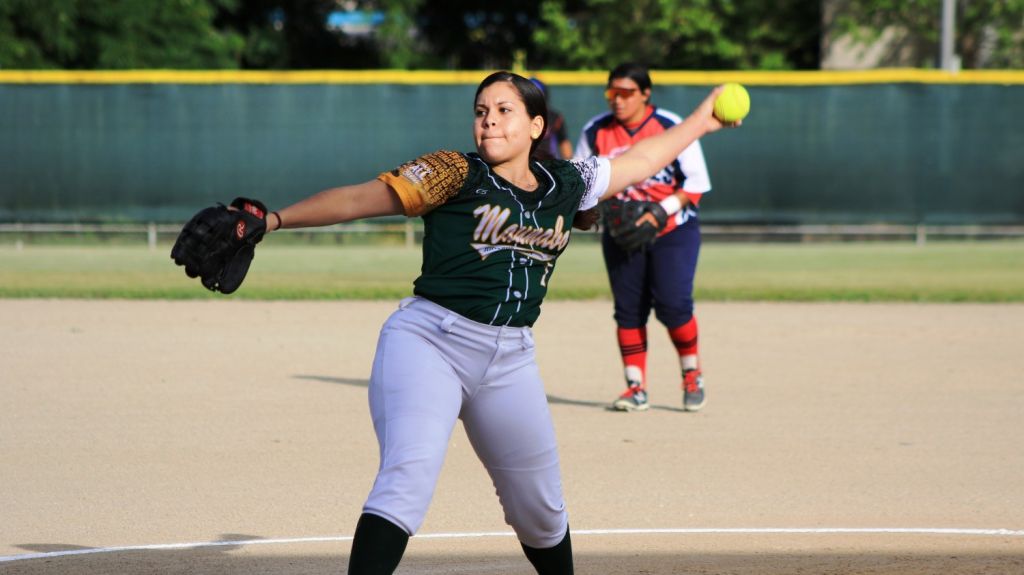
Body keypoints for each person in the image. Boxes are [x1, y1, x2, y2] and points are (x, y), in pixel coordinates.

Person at [184, 71, 734, 574]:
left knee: (541, 512)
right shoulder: (453, 172)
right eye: (481, 110)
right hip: (430, 342)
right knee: (408, 480)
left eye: (504, 110)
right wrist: (274, 220)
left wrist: (704, 121)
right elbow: (358, 199)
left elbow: (643, 159)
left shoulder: (567, 183)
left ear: (536, 125)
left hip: (511, 358)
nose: (489, 119)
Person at [573, 62, 713, 413]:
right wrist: (593, 213)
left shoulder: (669, 125)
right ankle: (635, 387)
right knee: (628, 311)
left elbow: (696, 184)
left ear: (645, 94)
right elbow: (582, 184)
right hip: (620, 231)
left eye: (626, 93)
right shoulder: (596, 131)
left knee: (673, 304)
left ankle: (691, 374)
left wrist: (659, 211)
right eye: (612, 93)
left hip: (672, 230)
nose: (617, 101)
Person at [529, 77, 573, 160]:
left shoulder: (554, 117)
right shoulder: (519, 117)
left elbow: (564, 144)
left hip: (549, 165)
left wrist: (569, 165)